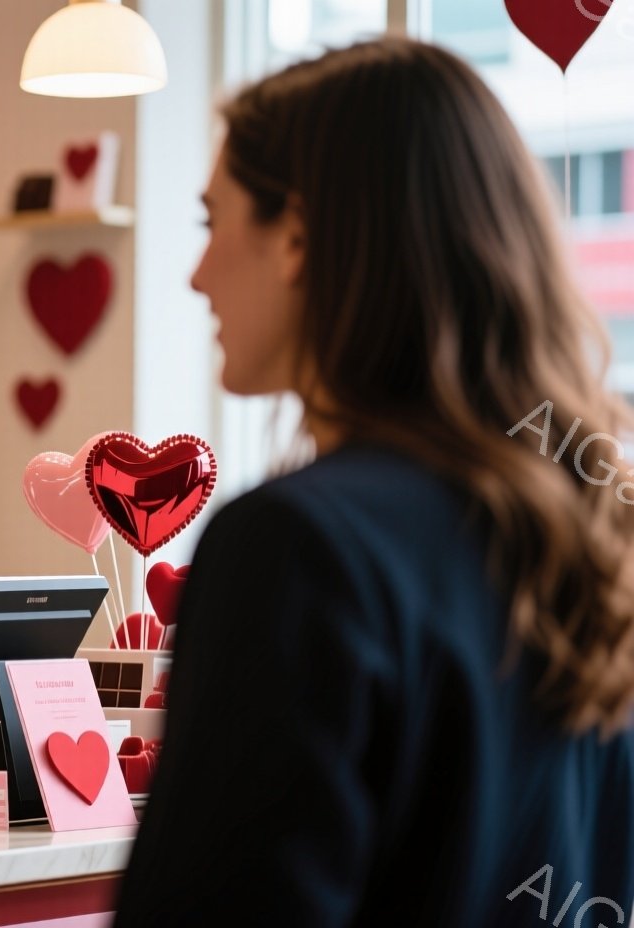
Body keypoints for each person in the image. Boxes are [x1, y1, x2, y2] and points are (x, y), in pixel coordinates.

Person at [113, 39, 634, 925]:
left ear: (300, 238)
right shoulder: (592, 529)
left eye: (212, 224)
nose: (197, 276)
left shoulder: (297, 547)